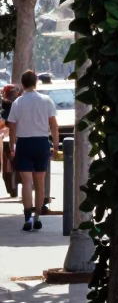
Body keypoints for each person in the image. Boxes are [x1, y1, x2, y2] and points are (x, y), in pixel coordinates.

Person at [7, 70, 60, 232]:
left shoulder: (18, 103)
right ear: (36, 82)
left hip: (24, 144)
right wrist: (56, 145)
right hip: (42, 143)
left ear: (22, 84)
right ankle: (37, 217)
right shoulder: (46, 100)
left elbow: (12, 127)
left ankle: (27, 217)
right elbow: (53, 125)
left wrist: (12, 147)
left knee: (27, 183)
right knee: (40, 182)